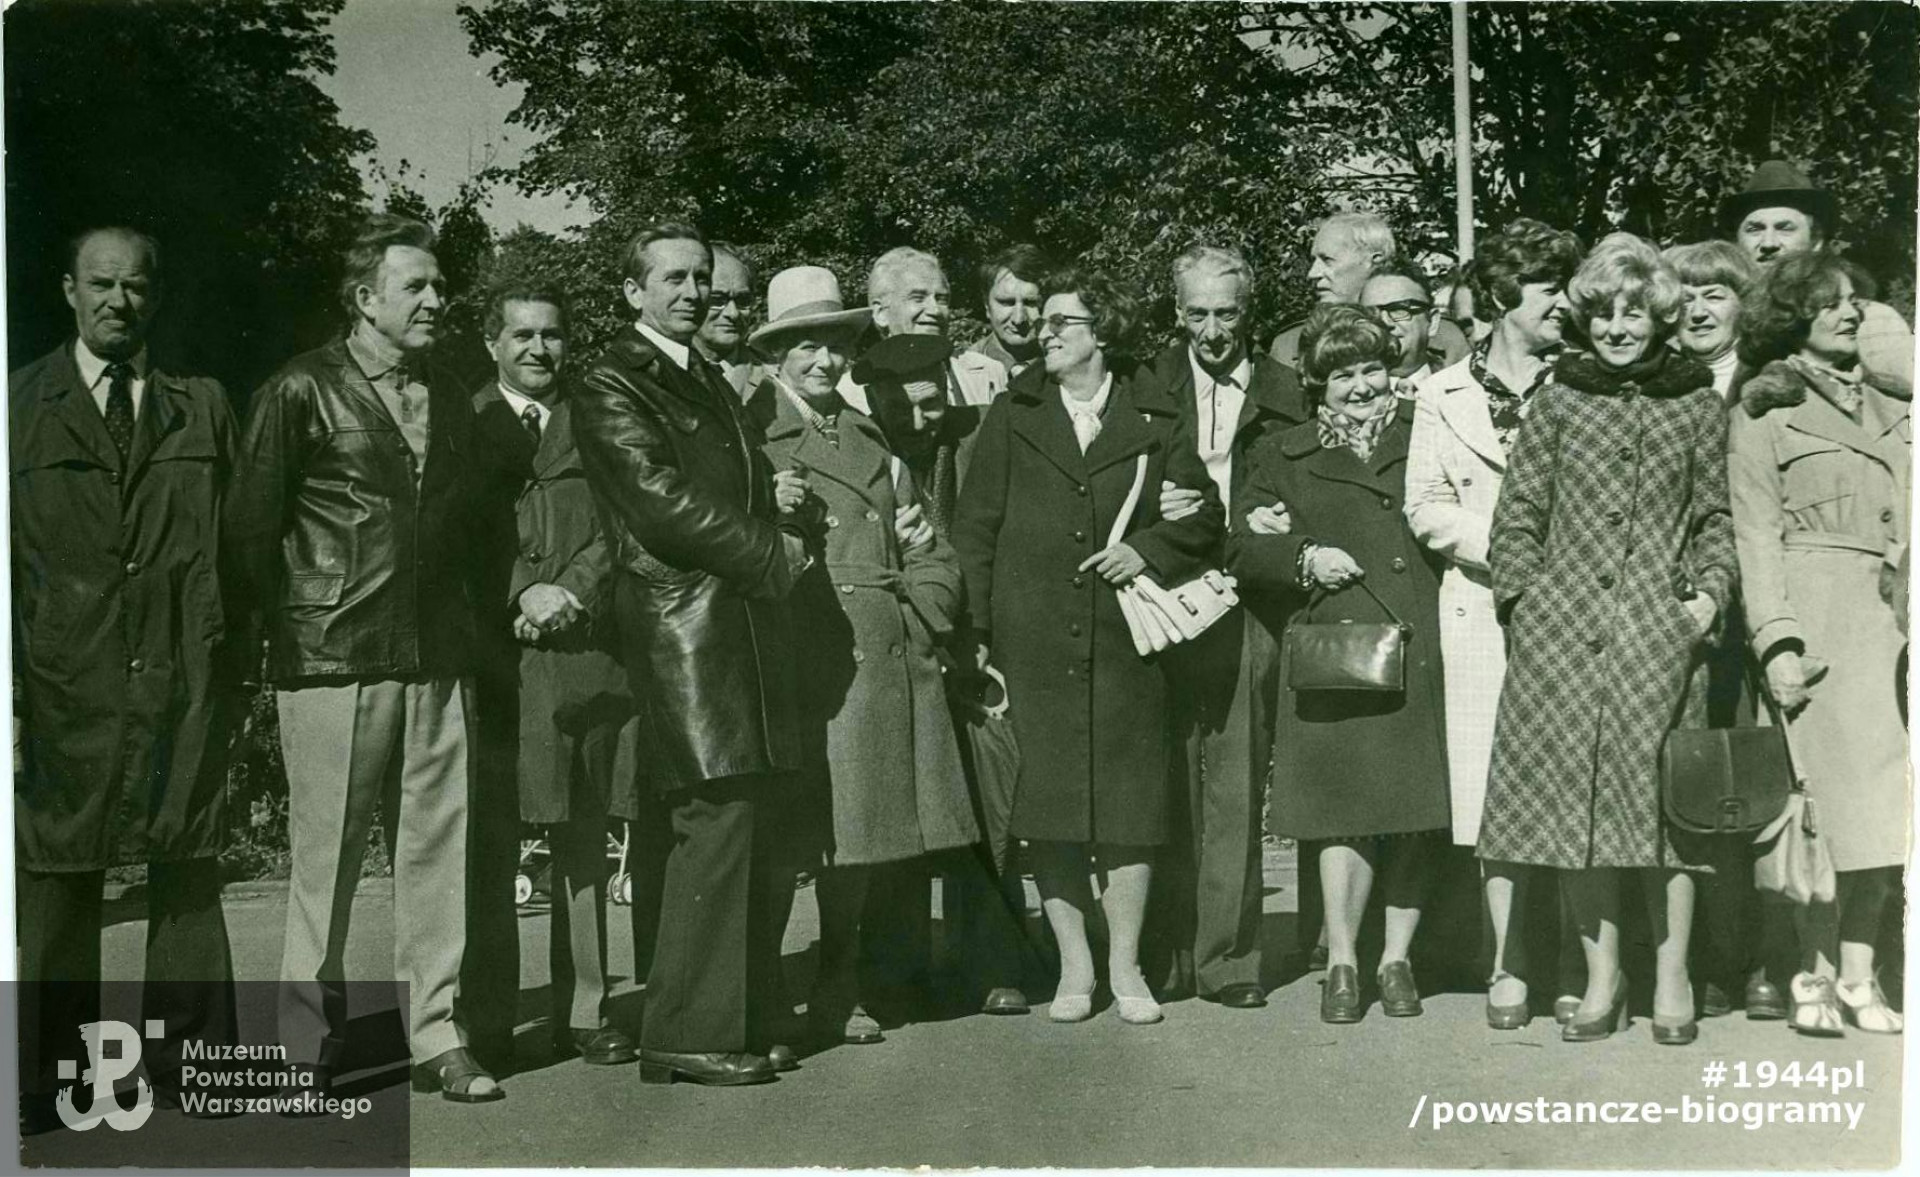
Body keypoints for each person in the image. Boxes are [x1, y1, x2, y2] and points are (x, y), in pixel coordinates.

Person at [228, 214, 496, 1101]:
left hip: (433, 656)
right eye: (414, 286)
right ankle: (303, 1043)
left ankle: (437, 1034)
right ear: (364, 298)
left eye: (438, 285)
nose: (435, 299)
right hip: (333, 656)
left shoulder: (451, 392)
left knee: (435, 855)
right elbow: (248, 531)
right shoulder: (301, 389)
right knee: (327, 862)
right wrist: (275, 642)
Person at [1477, 233, 1736, 1046]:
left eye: (1636, 312)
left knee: (1669, 817)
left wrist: (1706, 603)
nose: (1619, 327)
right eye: (1604, 312)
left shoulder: (1696, 402)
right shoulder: (1557, 399)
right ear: (1584, 316)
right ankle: (1600, 975)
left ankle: (1671, 974)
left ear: (1661, 317)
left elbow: (1715, 520)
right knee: (1572, 812)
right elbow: (1516, 516)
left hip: (1659, 639)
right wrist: (1525, 600)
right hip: (1560, 641)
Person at [570, 222, 810, 1087]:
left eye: (702, 276)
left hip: (731, 621)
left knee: (738, 811)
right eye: (673, 277)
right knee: (713, 814)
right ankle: (685, 1030)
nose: (694, 291)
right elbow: (656, 500)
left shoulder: (700, 372)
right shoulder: (608, 378)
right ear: (632, 291)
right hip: (685, 622)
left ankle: (726, 1018)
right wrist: (770, 551)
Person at [12, 227, 242, 1132]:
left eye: (136, 286)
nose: (119, 301)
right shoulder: (18, 401)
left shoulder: (202, 405)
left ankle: (196, 1069)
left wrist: (232, 658)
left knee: (185, 862)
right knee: (60, 874)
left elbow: (239, 541)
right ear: (68, 290)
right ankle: (45, 1079)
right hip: (60, 675)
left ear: (157, 294)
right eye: (101, 285)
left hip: (181, 667)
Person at [952, 268, 1222, 1026]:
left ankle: (1125, 964)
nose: (1047, 330)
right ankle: (1075, 966)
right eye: (1047, 319)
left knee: (1131, 811)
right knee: (1052, 810)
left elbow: (1206, 517)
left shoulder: (1155, 414)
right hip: (1031, 642)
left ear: (1104, 333)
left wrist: (1150, 549)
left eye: (1065, 321)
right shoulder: (1012, 412)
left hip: (1126, 647)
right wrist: (973, 635)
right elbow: (976, 528)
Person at [750, 265, 982, 1046]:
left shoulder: (869, 439)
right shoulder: (753, 435)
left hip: (884, 656)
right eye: (803, 346)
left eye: (834, 345)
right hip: (801, 652)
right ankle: (762, 995)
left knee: (862, 841)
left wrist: (924, 607)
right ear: (776, 354)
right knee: (794, 841)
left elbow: (926, 540)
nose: (822, 361)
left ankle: (837, 983)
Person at [1229, 305, 1450, 1024]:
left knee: (1417, 811)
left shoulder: (1429, 434)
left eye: (1372, 369)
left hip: (1420, 640)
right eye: (1342, 374)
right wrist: (1301, 556)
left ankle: (1398, 959)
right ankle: (1345, 959)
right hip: (1338, 648)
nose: (1361, 386)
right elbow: (1240, 547)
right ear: (1316, 384)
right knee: (1343, 813)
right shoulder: (1279, 452)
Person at [1403, 217, 1584, 1029]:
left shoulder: (1582, 380)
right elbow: (1426, 506)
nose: (1567, 305)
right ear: (1507, 295)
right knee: (1490, 792)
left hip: (1574, 611)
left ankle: (1578, 960)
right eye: (1551, 290)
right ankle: (1507, 962)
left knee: (1576, 784)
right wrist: (1511, 550)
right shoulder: (1440, 392)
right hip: (1479, 611)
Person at [1728, 252, 1910, 1037]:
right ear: (1792, 316)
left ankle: (1863, 976)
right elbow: (1754, 533)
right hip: (1818, 619)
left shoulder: (1896, 405)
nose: (1849, 312)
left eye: (1854, 301)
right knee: (1820, 811)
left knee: (1887, 809)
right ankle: (1812, 972)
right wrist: (1778, 640)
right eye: (1829, 302)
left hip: (1894, 626)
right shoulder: (1766, 408)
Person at [467, 283, 646, 1070]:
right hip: (496, 661)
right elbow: (452, 530)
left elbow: (622, 518)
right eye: (521, 335)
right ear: (491, 343)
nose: (538, 349)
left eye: (552, 336)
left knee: (582, 833)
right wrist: (517, 590)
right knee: (490, 840)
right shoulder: (463, 423)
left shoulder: (595, 418)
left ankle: (587, 1006)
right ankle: (487, 1018)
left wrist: (571, 590)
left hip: (582, 655)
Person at [1134, 244, 1308, 1009]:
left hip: (1251, 596)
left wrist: (1282, 518)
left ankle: (1230, 958)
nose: (1212, 329)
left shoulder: (1288, 390)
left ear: (1250, 313)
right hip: (1165, 596)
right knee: (1165, 774)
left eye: (1227, 312)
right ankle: (1166, 951)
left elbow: (1310, 477)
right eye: (1197, 312)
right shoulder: (1144, 383)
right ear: (1177, 313)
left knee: (1236, 776)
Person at [841, 246, 1011, 1013]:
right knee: (893, 808)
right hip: (889, 642)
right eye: (916, 295)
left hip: (966, 632)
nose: (936, 305)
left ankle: (991, 959)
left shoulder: (973, 424)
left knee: (982, 800)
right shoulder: (854, 423)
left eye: (943, 294)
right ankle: (892, 968)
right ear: (876, 312)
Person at [1661, 238, 1792, 1022]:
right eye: (1686, 294)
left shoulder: (1769, 386)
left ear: (1745, 303)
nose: (1700, 308)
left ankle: (1771, 959)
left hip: (1760, 612)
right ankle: (1712, 958)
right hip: (1687, 613)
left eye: (1717, 293)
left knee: (1765, 787)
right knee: (1698, 788)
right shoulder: (1659, 384)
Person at [1721, 159, 1912, 386]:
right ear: (1737, 242)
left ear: (1816, 241)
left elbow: (1901, 412)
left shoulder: (1871, 321)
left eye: (1784, 228)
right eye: (1755, 229)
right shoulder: (1719, 320)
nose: (1769, 243)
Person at [1268, 212, 1470, 372]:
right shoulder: (1289, 347)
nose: (1313, 273)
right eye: (1314, 261)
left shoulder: (1446, 340)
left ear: (1375, 261)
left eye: (1327, 260)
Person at [1663, 241, 1761, 402]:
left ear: (1745, 303)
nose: (1698, 313)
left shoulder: (1767, 373)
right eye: (1685, 300)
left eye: (1713, 297)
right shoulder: (1652, 377)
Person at [1361, 263, 1447, 396]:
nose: (1385, 322)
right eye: (1371, 313)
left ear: (1432, 322)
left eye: (1398, 309)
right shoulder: (1345, 396)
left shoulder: (1462, 388)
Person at [696, 241, 766, 404]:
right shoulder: (662, 371)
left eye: (743, 300)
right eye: (717, 299)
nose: (733, 313)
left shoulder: (774, 377)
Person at [970, 243, 1047, 381]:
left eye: (1031, 303)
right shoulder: (958, 372)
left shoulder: (1071, 367)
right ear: (987, 306)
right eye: (1007, 302)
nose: (1019, 319)